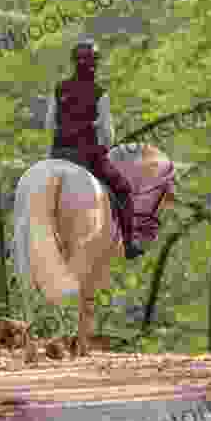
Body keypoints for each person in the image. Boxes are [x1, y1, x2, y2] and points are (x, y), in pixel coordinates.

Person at [45, 39, 144, 259]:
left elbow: (49, 124)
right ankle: (129, 244)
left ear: (73, 63)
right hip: (87, 155)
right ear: (95, 64)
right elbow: (108, 135)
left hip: (58, 154)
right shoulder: (100, 93)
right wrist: (104, 146)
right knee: (123, 190)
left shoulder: (59, 89)